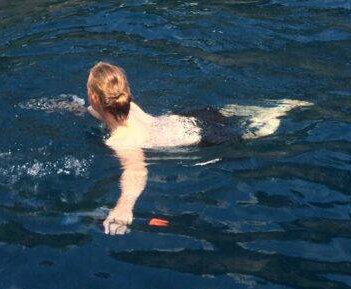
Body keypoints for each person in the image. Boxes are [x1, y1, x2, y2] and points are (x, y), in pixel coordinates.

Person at [86, 61, 309, 235]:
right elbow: (98, 112)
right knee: (228, 113)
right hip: (187, 119)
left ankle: (275, 115)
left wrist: (123, 207)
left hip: (205, 138)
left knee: (254, 134)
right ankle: (277, 105)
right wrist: (71, 106)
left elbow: (136, 171)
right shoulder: (129, 107)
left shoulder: (122, 140)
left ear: (95, 97)